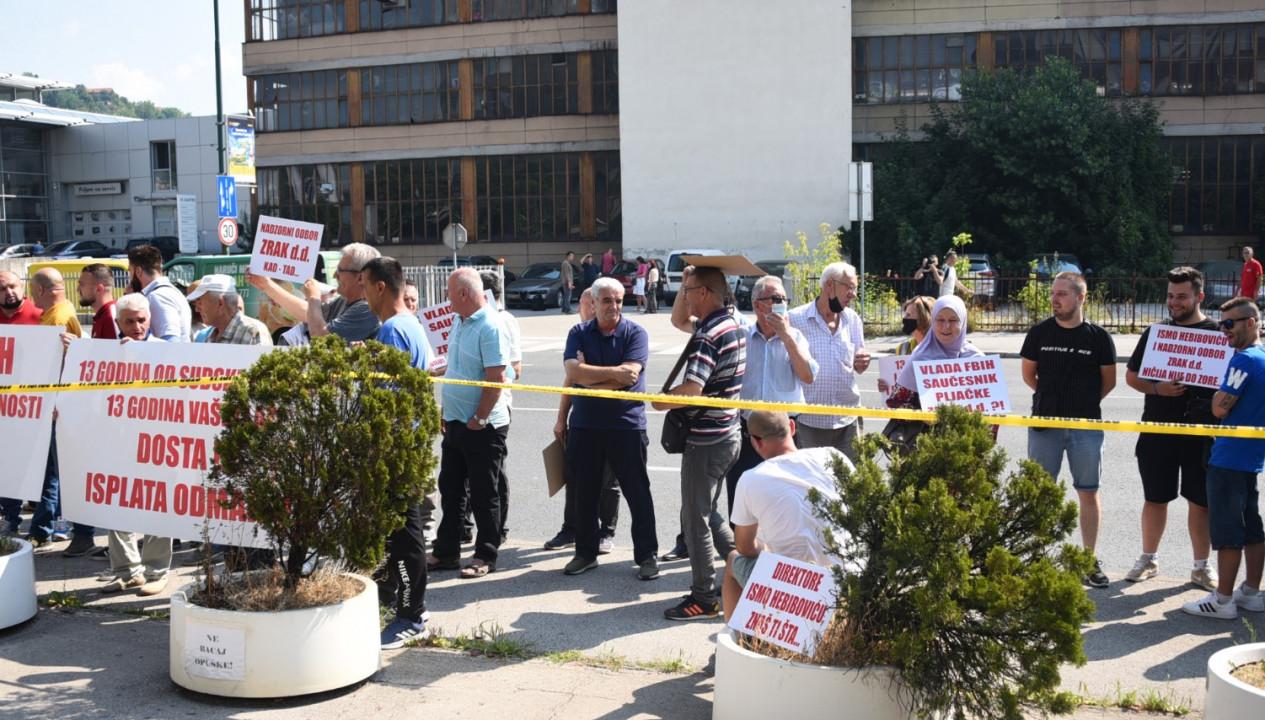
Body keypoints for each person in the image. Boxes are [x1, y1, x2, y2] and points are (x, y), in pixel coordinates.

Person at [653, 265, 746, 621]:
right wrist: (687, 282)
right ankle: (746, 571)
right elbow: (679, 320)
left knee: (694, 519)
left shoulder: (708, 335)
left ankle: (704, 596)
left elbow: (692, 390)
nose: (685, 295)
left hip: (707, 440)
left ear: (704, 294)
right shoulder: (730, 323)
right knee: (708, 511)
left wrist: (661, 401)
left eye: (689, 289)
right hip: (727, 434)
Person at [1123, 267, 1219, 590]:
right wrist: (1157, 389)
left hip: (1201, 433)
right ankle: (1149, 558)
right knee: (1155, 498)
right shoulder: (1155, 333)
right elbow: (1132, 377)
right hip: (1158, 428)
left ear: (1199, 296)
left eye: (1181, 296)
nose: (1174, 302)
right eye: (1170, 296)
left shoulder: (1218, 334)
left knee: (1200, 501)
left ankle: (1201, 567)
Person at [359, 257, 437, 647]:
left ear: (379, 287)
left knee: (405, 536)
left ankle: (412, 615)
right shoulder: (410, 325)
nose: (360, 294)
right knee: (402, 534)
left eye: (362, 284)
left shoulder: (392, 329)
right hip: (409, 445)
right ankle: (404, 608)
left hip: (397, 448)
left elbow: (386, 399)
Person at [1021, 271, 1117, 588]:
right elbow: (1029, 376)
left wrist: (1082, 403)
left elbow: (1109, 382)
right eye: (1053, 293)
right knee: (1040, 494)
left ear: (1081, 297)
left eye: (1062, 293)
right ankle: (1036, 558)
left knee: (1087, 492)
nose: (1055, 299)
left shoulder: (1099, 338)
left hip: (1085, 426)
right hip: (1044, 424)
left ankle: (1088, 560)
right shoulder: (1039, 334)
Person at [561, 277, 659, 579]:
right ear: (593, 302)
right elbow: (572, 372)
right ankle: (585, 554)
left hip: (626, 427)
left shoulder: (636, 333)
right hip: (585, 426)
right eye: (607, 301)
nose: (614, 306)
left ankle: (646, 556)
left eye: (618, 300)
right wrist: (608, 376)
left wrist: (588, 376)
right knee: (585, 493)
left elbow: (630, 375)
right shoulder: (578, 332)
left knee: (637, 492)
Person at [1181, 297, 1265, 620]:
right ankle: (1252, 592)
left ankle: (1223, 600)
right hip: (1251, 456)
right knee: (1252, 526)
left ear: (1252, 323)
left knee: (1228, 530)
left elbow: (1219, 407)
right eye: (1221, 324)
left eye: (1230, 324)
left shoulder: (1243, 361)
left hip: (1230, 456)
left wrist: (1215, 396)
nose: (1224, 330)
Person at [721, 411, 848, 620]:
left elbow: (745, 547)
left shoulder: (751, 478)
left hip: (794, 587)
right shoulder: (832, 456)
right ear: (792, 427)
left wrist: (765, 548)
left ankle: (735, 639)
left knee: (734, 559)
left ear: (755, 442)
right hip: (845, 575)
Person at [429, 268, 512, 579]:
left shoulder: (491, 325)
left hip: (483, 425)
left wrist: (479, 418)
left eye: (450, 292)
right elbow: (457, 368)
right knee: (451, 489)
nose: (446, 299)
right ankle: (446, 552)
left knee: (483, 492)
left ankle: (485, 555)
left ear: (464, 294)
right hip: (455, 421)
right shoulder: (458, 321)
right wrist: (448, 412)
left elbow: (496, 379)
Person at [723, 274, 817, 517]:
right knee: (742, 490)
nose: (781, 304)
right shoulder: (742, 335)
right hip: (748, 428)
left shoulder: (795, 337)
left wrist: (785, 336)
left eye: (784, 299)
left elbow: (807, 376)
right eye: (775, 299)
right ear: (757, 305)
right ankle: (743, 547)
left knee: (789, 492)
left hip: (785, 430)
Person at [101, 293, 174, 597]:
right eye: (129, 321)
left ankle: (156, 571)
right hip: (118, 440)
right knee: (116, 502)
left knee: (158, 503)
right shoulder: (105, 353)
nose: (136, 326)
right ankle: (126, 571)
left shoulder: (168, 351)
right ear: (118, 322)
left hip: (156, 442)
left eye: (141, 320)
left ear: (150, 320)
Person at [547, 287, 624, 552]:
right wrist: (561, 418)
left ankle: (606, 531)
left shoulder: (618, 333)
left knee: (609, 482)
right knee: (576, 478)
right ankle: (571, 529)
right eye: (583, 302)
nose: (587, 307)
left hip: (614, 421)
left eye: (590, 302)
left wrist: (586, 373)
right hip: (583, 420)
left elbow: (623, 376)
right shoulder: (578, 336)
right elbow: (571, 380)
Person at [59, 264, 120, 557]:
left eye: (82, 284)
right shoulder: (102, 317)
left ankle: (107, 542)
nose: (78, 289)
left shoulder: (109, 316)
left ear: (98, 287)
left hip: (105, 415)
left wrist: (80, 350)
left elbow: (108, 365)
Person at [789, 262, 870, 462]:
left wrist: (862, 362)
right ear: (828, 286)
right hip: (809, 422)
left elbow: (858, 363)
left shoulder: (852, 320)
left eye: (855, 288)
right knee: (813, 485)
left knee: (851, 484)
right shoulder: (795, 319)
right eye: (849, 287)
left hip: (847, 419)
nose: (853, 294)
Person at [25, 268, 83, 547]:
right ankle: (47, 525)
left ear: (39, 291)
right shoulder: (62, 311)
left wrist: (54, 400)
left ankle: (42, 528)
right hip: (55, 402)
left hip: (55, 404)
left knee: (51, 470)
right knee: (51, 469)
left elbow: (57, 365)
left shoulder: (56, 319)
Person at [247, 242, 381, 343]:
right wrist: (266, 285)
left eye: (340, 270)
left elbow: (321, 337)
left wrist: (313, 297)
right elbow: (309, 314)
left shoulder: (367, 309)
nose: (335, 275)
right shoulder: (344, 301)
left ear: (360, 277)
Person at [479, 270, 521, 542]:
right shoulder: (470, 320)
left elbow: (515, 369)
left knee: (493, 473)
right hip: (469, 406)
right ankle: (469, 526)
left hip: (496, 407)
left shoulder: (503, 321)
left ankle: (498, 528)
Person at [0, 269, 42, 534]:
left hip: (35, 407)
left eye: (13, 286)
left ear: (22, 286)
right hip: (5, 411)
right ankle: (10, 518)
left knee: (40, 468)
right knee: (7, 465)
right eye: (3, 289)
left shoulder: (40, 315)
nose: (9, 292)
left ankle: (44, 523)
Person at [126, 244, 190, 342]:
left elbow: (171, 341)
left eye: (130, 271)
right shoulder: (171, 292)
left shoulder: (158, 297)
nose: (130, 278)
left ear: (138, 271)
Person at [187, 275, 273, 347]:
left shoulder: (253, 331)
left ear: (220, 304)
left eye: (200, 303)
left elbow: (264, 366)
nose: (197, 309)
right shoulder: (209, 335)